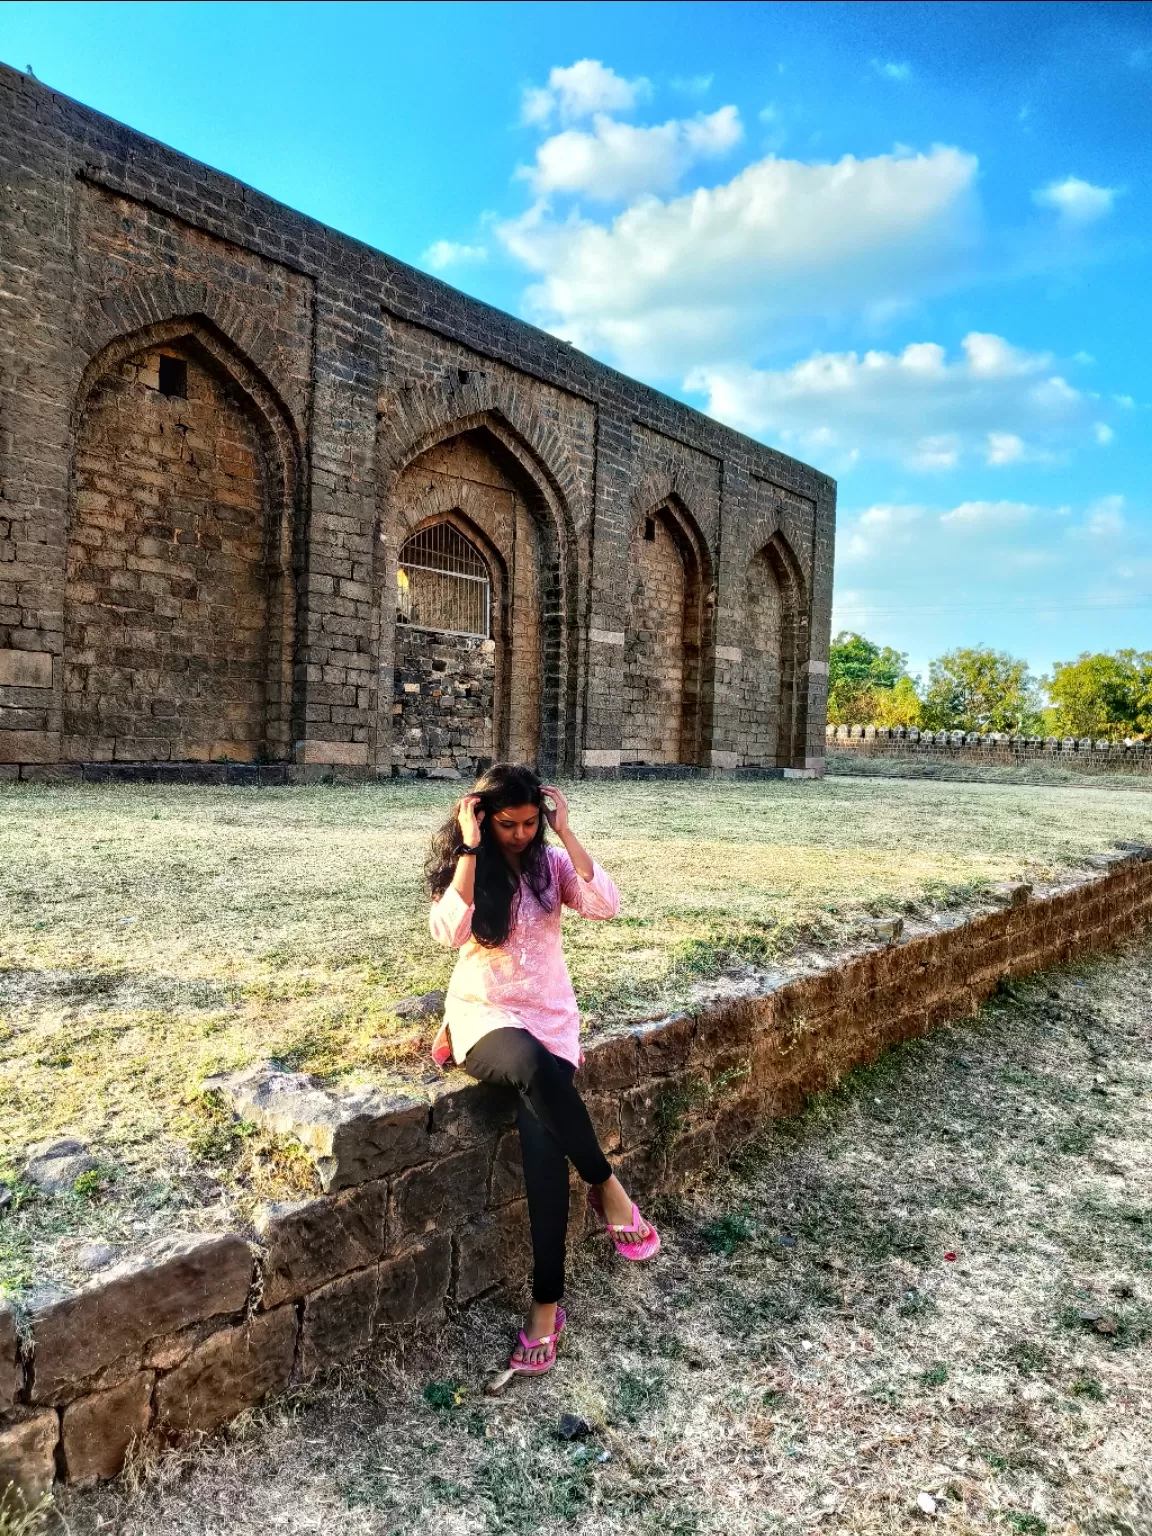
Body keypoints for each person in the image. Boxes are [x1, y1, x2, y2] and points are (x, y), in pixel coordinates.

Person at [426, 762, 659, 1376]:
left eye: (531, 823)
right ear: (482, 818)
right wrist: (474, 847)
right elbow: (447, 932)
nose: (522, 834)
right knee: (532, 1066)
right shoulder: (470, 863)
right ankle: (608, 1187)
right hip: (485, 1020)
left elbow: (605, 905)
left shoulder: (550, 865)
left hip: (552, 1021)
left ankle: (545, 1309)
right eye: (509, 824)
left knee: (542, 1152)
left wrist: (567, 832)